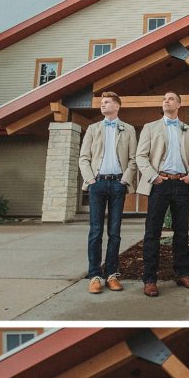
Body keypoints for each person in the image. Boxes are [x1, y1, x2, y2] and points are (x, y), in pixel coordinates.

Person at [135, 91, 189, 297]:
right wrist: (153, 176)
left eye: (171, 98)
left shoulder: (188, 130)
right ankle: (150, 279)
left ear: (179, 104)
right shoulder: (150, 127)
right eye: (164, 98)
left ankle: (182, 274)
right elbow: (141, 156)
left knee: (182, 233)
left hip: (181, 184)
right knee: (152, 233)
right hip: (159, 184)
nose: (166, 100)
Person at [78, 90, 137, 294]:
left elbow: (133, 159)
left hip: (117, 184)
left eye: (107, 102)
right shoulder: (93, 129)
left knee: (115, 233)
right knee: (95, 231)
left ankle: (112, 275)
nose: (102, 105)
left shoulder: (128, 129)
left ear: (117, 106)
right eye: (101, 103)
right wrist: (91, 180)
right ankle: (94, 275)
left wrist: (124, 181)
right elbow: (84, 157)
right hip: (98, 184)